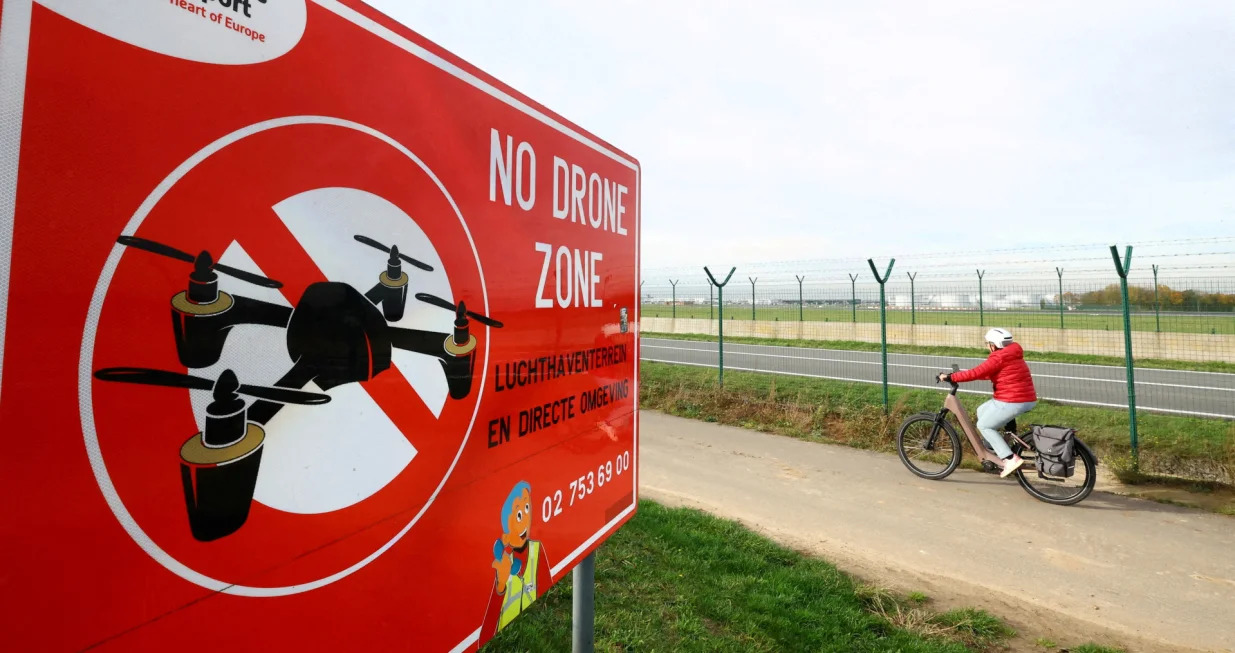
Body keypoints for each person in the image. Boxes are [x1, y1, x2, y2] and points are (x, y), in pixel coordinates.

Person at [937, 328, 1037, 478]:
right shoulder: (1011, 354)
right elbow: (986, 372)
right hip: (1023, 398)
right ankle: (995, 450)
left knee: (984, 425)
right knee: (982, 410)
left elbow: (977, 372)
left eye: (988, 343)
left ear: (994, 345)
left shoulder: (999, 357)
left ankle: (1009, 459)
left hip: (1012, 400)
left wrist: (951, 377)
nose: (987, 346)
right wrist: (959, 375)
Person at [480, 481, 552, 643]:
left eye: (527, 509)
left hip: (536, 625)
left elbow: (548, 584)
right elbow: (486, 631)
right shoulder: (502, 564)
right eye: (519, 515)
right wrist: (500, 586)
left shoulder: (537, 550)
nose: (525, 519)